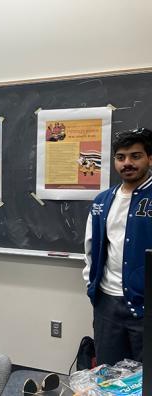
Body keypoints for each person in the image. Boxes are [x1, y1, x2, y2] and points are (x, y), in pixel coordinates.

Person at [83, 128, 152, 365]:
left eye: (135, 156)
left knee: (144, 380)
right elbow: (91, 248)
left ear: (150, 158)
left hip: (145, 306)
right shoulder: (102, 201)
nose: (127, 163)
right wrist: (92, 287)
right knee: (108, 374)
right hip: (107, 305)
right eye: (121, 158)